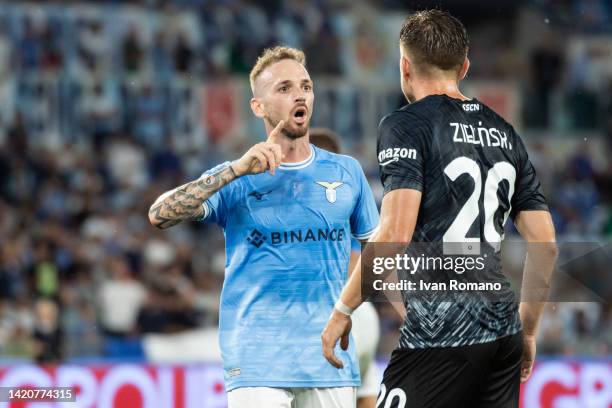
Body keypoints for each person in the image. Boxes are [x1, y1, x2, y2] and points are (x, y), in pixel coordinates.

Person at [321, 10, 558, 408]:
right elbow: (546, 244)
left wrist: (344, 308)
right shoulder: (505, 132)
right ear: (464, 66)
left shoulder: (406, 125)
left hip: (441, 331)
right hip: (502, 331)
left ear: (404, 66)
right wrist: (527, 331)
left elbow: (394, 235)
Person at [149, 47, 379, 408]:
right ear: (258, 106)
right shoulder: (237, 176)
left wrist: (348, 310)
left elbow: (380, 254)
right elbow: (159, 214)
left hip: (328, 356)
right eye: (284, 88)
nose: (299, 94)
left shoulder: (347, 172)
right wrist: (235, 171)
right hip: (256, 359)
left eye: (305, 86)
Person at [310, 128, 381, 408]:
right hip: (363, 314)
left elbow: (350, 265)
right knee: (364, 389)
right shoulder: (350, 194)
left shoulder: (305, 200)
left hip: (335, 313)